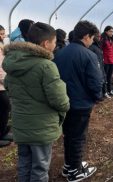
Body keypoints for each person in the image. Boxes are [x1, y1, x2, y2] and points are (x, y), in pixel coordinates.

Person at [3, 22, 70, 182]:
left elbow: (8, 87)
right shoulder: (46, 66)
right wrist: (66, 106)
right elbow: (59, 100)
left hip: (21, 124)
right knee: (40, 168)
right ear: (46, 44)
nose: (55, 45)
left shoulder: (13, 63)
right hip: (41, 127)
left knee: (24, 163)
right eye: (54, 42)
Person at [55, 20, 103, 181]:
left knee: (69, 134)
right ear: (86, 36)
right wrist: (97, 97)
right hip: (80, 104)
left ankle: (70, 165)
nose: (93, 40)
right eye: (92, 37)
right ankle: (75, 171)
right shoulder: (89, 55)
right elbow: (96, 82)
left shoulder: (60, 53)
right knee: (78, 137)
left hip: (63, 102)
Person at [0, 25, 12, 147]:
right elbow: (0, 70)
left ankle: (2, 132)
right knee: (4, 107)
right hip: (1, 85)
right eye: (1, 34)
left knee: (4, 109)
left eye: (3, 34)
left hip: (2, 85)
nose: (2, 36)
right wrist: (6, 82)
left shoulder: (2, 47)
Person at [89, 32, 106, 101]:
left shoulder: (98, 45)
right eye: (97, 36)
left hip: (100, 64)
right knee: (96, 80)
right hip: (96, 66)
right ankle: (96, 96)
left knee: (100, 79)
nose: (99, 38)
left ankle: (100, 95)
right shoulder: (91, 46)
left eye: (100, 36)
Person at [101, 26, 113, 96]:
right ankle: (104, 92)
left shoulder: (112, 40)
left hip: (112, 60)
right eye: (110, 31)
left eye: (112, 31)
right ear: (106, 31)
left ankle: (110, 90)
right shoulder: (103, 39)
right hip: (106, 61)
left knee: (110, 76)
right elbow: (100, 50)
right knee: (105, 77)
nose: (112, 33)